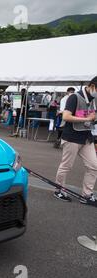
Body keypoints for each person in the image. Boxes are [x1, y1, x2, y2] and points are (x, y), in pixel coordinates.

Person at [54, 76, 97, 206]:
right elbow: (66, 116)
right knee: (66, 166)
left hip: (87, 137)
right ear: (93, 86)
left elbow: (92, 117)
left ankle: (87, 194)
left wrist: (92, 119)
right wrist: (87, 119)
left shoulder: (94, 100)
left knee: (94, 166)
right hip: (71, 137)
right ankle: (59, 190)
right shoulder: (74, 97)